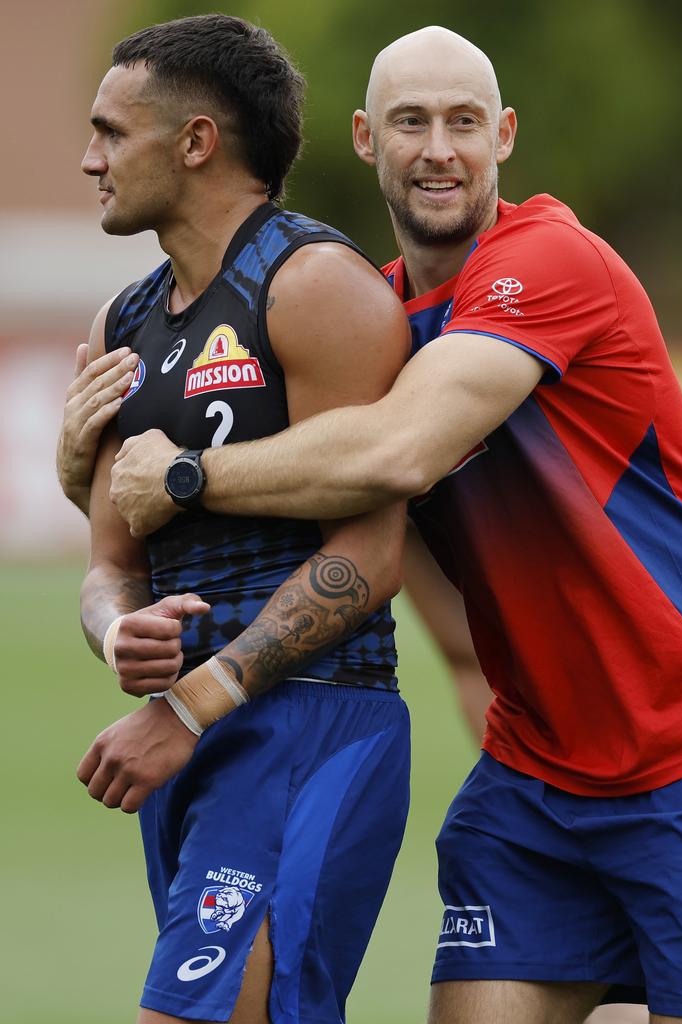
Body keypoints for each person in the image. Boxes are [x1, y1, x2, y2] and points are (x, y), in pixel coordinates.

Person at [58, 22, 682, 1024]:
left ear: (505, 137)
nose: (440, 146)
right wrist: (79, 471)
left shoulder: (548, 260)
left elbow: (397, 454)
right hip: (537, 780)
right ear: (364, 139)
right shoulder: (378, 314)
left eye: (464, 122)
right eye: (411, 121)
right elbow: (349, 515)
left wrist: (179, 472)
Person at [71, 14, 414, 1024]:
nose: (89, 160)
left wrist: (186, 707)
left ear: (194, 142)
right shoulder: (118, 325)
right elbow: (106, 562)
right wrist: (117, 632)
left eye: (110, 132)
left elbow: (373, 555)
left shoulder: (314, 289)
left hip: (312, 715)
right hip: (182, 731)